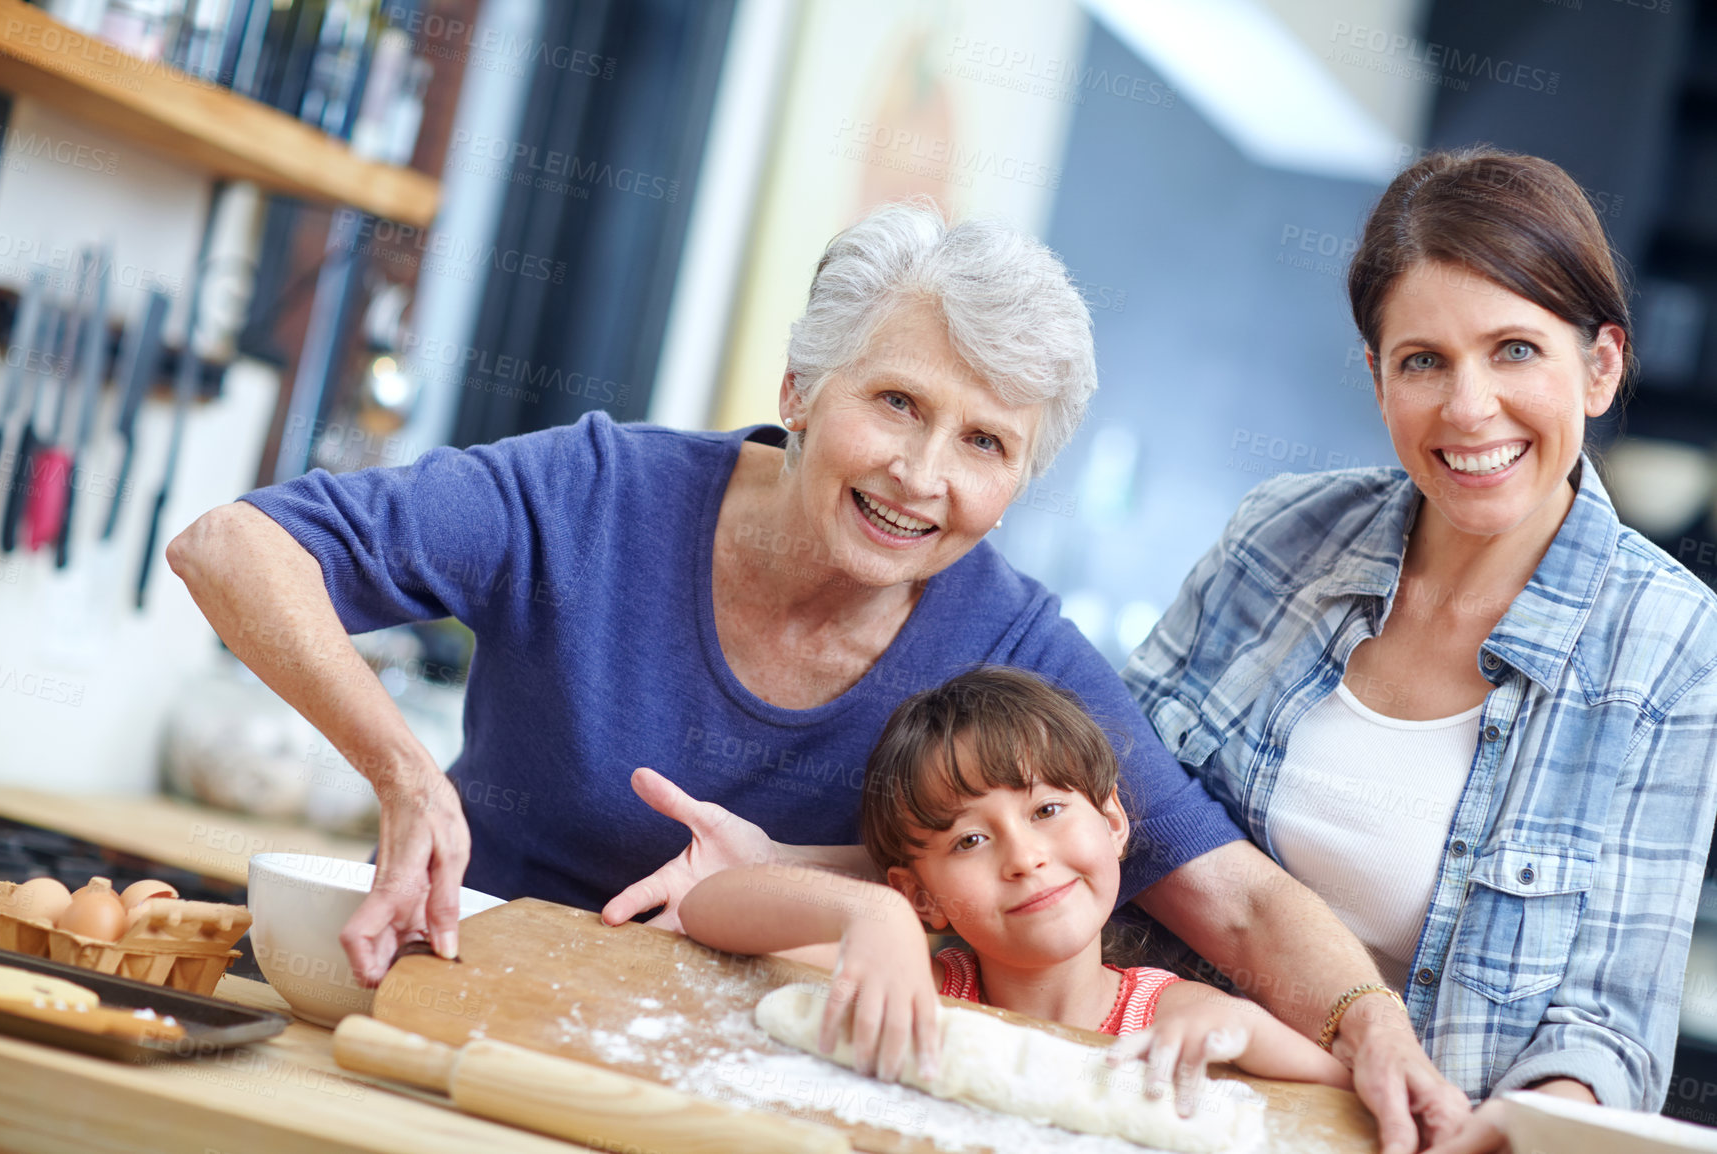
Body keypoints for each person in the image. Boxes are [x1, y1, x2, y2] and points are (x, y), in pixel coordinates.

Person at [167, 202, 1459, 1143]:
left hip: (747, 1113)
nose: (921, 474)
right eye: (894, 402)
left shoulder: (1012, 644)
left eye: (983, 443)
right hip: (456, 1037)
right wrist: (402, 771)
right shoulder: (594, 492)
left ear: (1015, 488)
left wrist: (1372, 1024)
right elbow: (235, 543)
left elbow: (1229, 896)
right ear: (800, 385)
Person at [1123, 147, 1717, 1154]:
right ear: (1377, 377)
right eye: (1423, 360)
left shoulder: (1674, 647)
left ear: (1601, 364)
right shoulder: (1280, 533)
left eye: (1515, 349)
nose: (1468, 407)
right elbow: (1115, 794)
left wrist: (1531, 1120)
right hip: (1154, 1094)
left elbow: (1608, 1021)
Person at [679, 666, 1352, 1101]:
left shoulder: (1168, 1017)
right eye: (969, 840)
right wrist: (873, 915)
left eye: (1047, 811)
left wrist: (1240, 1032)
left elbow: (1339, 1093)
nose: (1025, 858)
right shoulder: (925, 990)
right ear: (921, 894)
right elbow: (708, 908)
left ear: (1113, 819)